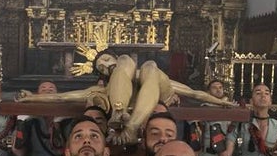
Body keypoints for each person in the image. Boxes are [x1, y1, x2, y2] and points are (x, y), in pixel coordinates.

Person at [17, 53, 234, 145]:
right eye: (101, 65)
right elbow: (63, 97)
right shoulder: (103, 88)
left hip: (157, 90)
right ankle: (123, 115)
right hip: (126, 107)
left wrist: (224, 102)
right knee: (131, 64)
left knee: (147, 66)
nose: (105, 64)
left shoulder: (143, 72)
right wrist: (31, 98)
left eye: (106, 59)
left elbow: (195, 94)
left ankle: (126, 119)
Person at [22, 81, 66, 156]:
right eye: (43, 89)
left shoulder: (66, 123)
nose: (47, 90)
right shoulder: (29, 123)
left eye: (51, 88)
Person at [197, 79, 234, 156]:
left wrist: (229, 151)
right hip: (208, 154)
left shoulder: (229, 107)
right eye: (214, 88)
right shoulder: (204, 108)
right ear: (208, 92)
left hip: (225, 153)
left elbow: (233, 130)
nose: (218, 90)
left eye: (220, 88)